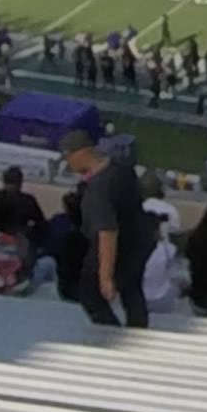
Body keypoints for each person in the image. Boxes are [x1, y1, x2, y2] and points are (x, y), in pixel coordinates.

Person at [62, 130, 157, 329]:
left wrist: (105, 277)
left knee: (90, 294)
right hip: (139, 242)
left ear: (80, 153)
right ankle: (138, 330)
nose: (68, 163)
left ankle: (111, 333)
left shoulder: (97, 190)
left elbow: (107, 233)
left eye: (68, 157)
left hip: (118, 248)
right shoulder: (121, 168)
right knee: (132, 289)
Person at [0, 164, 47, 295]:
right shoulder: (28, 200)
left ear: (3, 180)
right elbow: (41, 224)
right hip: (19, 242)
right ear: (21, 182)